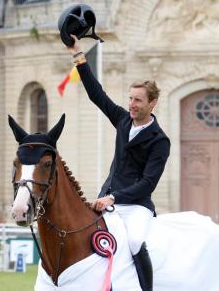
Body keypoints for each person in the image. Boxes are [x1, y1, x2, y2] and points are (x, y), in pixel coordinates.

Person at [67, 35, 170, 291]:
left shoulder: (160, 141)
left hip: (136, 205)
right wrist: (77, 53)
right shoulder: (123, 120)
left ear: (152, 103)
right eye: (130, 99)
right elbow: (96, 94)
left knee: (134, 242)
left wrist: (114, 198)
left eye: (138, 100)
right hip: (107, 199)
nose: (131, 105)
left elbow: (147, 184)